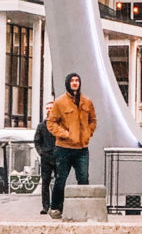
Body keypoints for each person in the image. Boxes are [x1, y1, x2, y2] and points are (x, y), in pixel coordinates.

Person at [46, 73, 97, 219]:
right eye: (72, 81)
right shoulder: (60, 102)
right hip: (64, 147)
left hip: (82, 148)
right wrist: (65, 134)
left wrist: (88, 133)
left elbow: (93, 120)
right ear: (68, 83)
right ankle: (55, 207)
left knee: (83, 178)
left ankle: (83, 209)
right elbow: (51, 122)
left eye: (77, 80)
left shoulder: (87, 102)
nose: (75, 83)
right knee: (61, 178)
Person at [34, 100, 57, 215]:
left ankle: (57, 205)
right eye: (47, 108)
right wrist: (41, 152)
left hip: (58, 157)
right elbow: (37, 141)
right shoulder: (41, 126)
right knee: (45, 183)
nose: (49, 110)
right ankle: (45, 206)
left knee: (59, 182)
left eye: (51, 108)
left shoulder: (59, 124)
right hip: (46, 158)